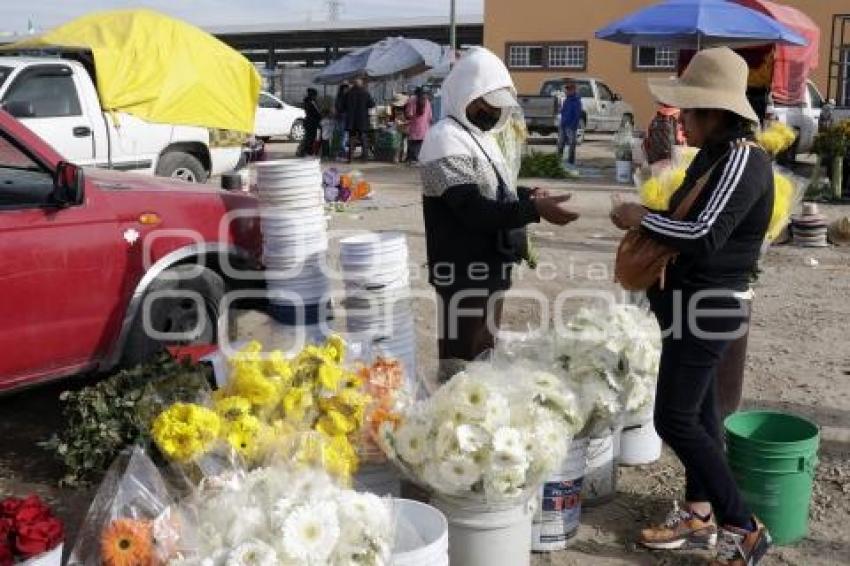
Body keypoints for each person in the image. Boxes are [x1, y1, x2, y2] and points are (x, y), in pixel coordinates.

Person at [610, 47, 774, 566]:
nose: (680, 117)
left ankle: (742, 525)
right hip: (685, 301)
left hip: (710, 305)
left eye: (690, 109)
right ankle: (700, 515)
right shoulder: (714, 157)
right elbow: (688, 219)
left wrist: (641, 217)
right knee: (700, 419)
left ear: (716, 112)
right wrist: (652, 214)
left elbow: (703, 234)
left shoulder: (744, 161)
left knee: (674, 418)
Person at [419, 47, 579, 382]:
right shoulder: (444, 139)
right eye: (484, 106)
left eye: (495, 108)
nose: (490, 114)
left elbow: (495, 193)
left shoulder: (480, 138)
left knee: (482, 355)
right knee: (460, 365)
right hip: (461, 272)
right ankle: (453, 424)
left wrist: (528, 196)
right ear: (465, 95)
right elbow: (473, 210)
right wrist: (535, 210)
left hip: (489, 268)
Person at [344, 77, 375, 162]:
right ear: (361, 84)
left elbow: (343, 106)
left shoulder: (348, 93)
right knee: (363, 138)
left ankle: (350, 158)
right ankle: (365, 158)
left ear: (353, 84)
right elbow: (372, 104)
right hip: (362, 119)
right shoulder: (365, 93)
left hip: (351, 120)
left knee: (352, 138)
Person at [558, 81, 582, 171]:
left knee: (572, 144)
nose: (567, 91)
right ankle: (558, 161)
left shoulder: (576, 101)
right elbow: (563, 111)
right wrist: (562, 122)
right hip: (563, 125)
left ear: (574, 90)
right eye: (566, 89)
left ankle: (571, 162)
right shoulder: (566, 100)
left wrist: (573, 125)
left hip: (571, 126)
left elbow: (577, 114)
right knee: (560, 144)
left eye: (569, 89)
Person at [405, 87, 433, 164]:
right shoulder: (427, 102)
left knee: (412, 144)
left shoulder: (412, 101)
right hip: (424, 128)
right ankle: (416, 159)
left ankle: (411, 159)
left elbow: (409, 114)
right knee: (420, 145)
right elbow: (430, 117)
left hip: (414, 127)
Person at [297, 87, 321, 157]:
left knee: (308, 138)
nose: (316, 96)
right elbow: (317, 113)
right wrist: (321, 116)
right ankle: (306, 152)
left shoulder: (306, 101)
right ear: (313, 95)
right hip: (312, 122)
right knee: (310, 138)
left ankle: (304, 151)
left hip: (308, 122)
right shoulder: (311, 102)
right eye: (315, 95)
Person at [391, 93, 410, 162]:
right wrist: (396, 121)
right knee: (398, 143)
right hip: (398, 126)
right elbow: (393, 117)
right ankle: (397, 158)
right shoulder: (394, 107)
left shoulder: (408, 106)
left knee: (407, 143)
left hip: (407, 126)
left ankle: (404, 158)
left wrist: (404, 122)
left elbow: (410, 118)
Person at [334, 83, 350, 159]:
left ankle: (341, 152)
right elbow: (340, 108)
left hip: (340, 118)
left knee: (343, 136)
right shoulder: (343, 98)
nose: (348, 90)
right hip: (343, 117)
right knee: (344, 136)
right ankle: (342, 153)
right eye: (347, 89)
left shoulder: (339, 97)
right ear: (343, 89)